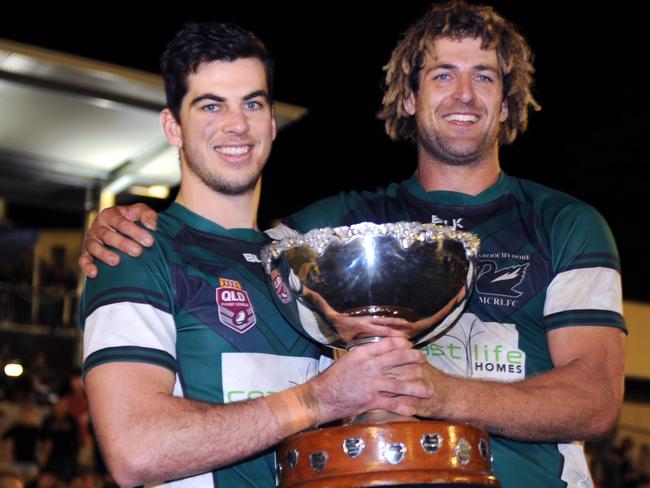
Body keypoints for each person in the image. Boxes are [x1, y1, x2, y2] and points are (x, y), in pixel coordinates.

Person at [80, 2, 627, 487]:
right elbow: (227, 241)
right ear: (409, 98)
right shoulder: (344, 223)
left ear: (508, 103)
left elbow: (596, 400)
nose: (464, 94)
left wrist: (439, 393)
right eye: (443, 74)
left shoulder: (565, 224)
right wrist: (120, 221)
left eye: (484, 76)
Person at [77, 21, 429, 488]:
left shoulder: (307, 265)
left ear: (271, 122)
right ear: (172, 126)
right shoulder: (136, 250)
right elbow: (137, 448)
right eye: (210, 105)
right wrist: (317, 401)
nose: (236, 125)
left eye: (252, 104)